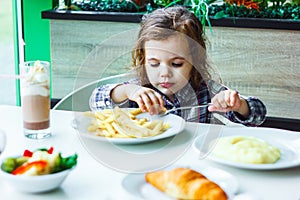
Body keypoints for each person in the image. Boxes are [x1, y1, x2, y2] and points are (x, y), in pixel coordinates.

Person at [89, 6, 266, 126]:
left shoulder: (208, 92)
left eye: (176, 64)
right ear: (143, 60)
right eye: (154, 63)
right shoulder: (138, 91)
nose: (164, 73)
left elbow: (258, 116)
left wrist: (238, 105)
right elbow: (95, 102)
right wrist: (127, 92)